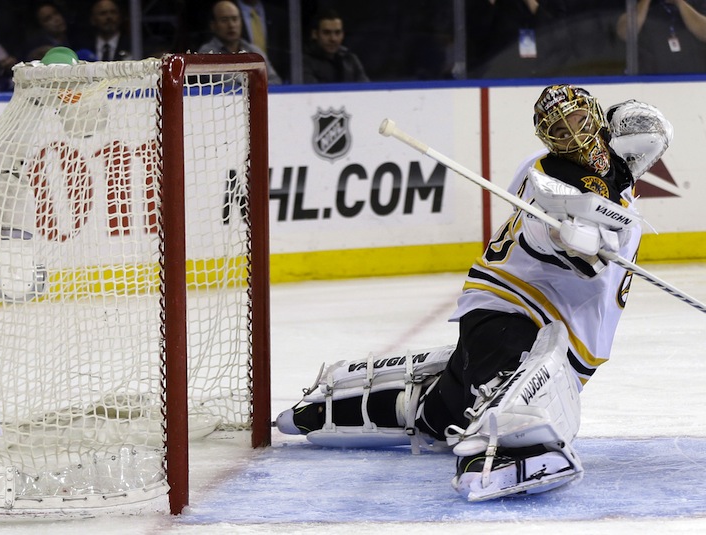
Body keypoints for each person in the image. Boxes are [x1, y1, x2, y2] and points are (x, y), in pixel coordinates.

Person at [276, 84, 674, 501]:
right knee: (519, 380)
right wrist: (564, 237)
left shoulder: (620, 205)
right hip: (513, 313)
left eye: (578, 121)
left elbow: (595, 251)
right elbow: (540, 234)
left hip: (518, 327)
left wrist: (591, 237)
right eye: (561, 127)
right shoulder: (545, 174)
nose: (573, 134)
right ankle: (499, 448)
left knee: (447, 408)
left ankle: (406, 406)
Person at [465, 0, 572, 78]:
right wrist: (489, 3)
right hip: (500, 72)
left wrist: (531, 3)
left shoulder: (552, 4)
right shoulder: (499, 6)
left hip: (544, 71)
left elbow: (557, 34)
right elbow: (476, 38)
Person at [197, 0, 282, 85]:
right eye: (224, 20)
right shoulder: (207, 53)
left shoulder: (253, 51)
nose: (231, 25)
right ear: (213, 25)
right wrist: (258, 84)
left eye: (235, 19)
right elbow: (230, 84)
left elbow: (275, 81)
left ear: (241, 22)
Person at [617, 0, 706, 74]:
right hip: (649, 84)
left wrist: (680, 3)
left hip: (695, 82)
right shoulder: (636, 4)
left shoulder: (698, 3)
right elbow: (624, 33)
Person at [302, 8, 369, 84]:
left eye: (337, 33)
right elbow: (313, 94)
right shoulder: (304, 63)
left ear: (343, 34)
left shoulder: (350, 59)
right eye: (326, 33)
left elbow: (366, 91)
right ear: (315, 34)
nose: (333, 39)